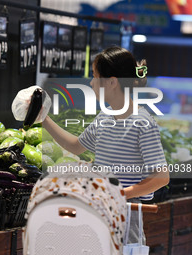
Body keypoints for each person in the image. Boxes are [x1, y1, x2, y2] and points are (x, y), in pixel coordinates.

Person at [42, 46, 170, 244]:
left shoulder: (142, 122)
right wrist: (43, 119)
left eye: (95, 76)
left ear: (111, 82)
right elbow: (76, 146)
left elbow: (161, 177)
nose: (92, 82)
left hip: (126, 218)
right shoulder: (105, 117)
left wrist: (120, 193)